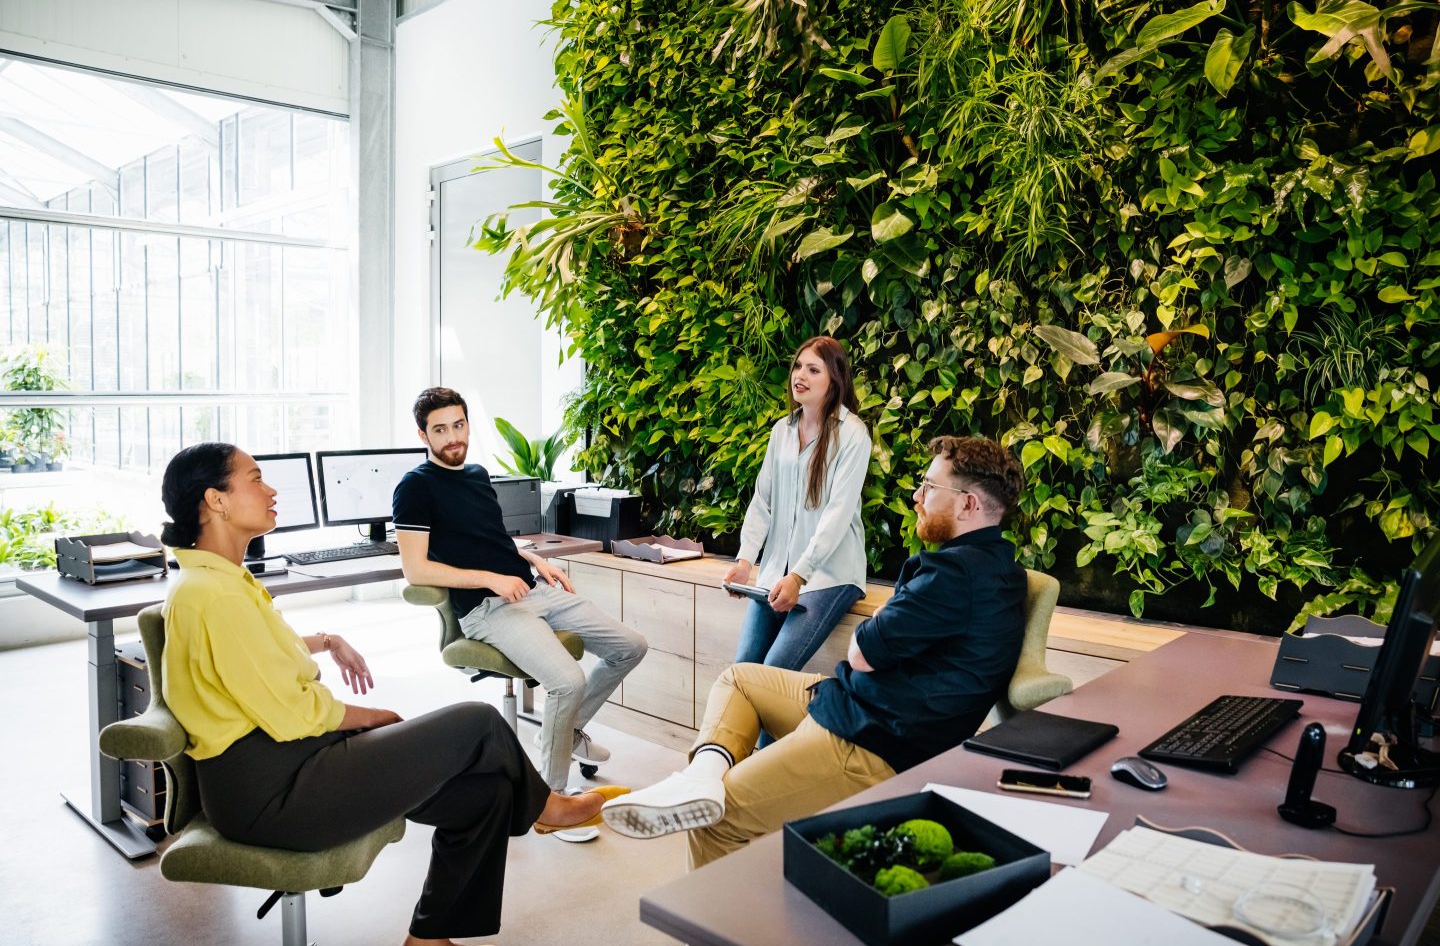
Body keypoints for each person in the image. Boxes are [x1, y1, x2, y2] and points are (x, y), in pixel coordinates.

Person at [158, 443, 624, 946]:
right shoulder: (212, 594)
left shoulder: (221, 581)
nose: (271, 490)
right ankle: (548, 808)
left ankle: (428, 940)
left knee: (486, 796)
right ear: (216, 500)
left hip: (290, 764)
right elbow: (291, 712)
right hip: (271, 791)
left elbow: (254, 653)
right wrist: (369, 716)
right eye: (255, 479)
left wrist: (326, 641)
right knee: (479, 722)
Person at [603, 435, 1027, 869]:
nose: (917, 496)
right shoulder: (999, 568)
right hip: (856, 705)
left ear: (968, 505)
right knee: (740, 679)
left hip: (869, 743)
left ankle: (719, 871)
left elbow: (863, 652)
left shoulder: (954, 575)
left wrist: (879, 625)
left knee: (719, 818)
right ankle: (699, 777)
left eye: (930, 487)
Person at [394, 387, 648, 791]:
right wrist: (491, 579)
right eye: (440, 430)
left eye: (459, 425)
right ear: (423, 435)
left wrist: (533, 558)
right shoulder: (414, 487)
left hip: (533, 590)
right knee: (568, 682)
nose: (453, 437)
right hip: (488, 609)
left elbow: (490, 539)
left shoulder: (477, 475)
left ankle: (564, 731)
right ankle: (551, 799)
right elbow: (415, 570)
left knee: (631, 646)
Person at [723, 335, 872, 674]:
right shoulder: (782, 430)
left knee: (773, 670)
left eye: (814, 370)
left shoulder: (853, 434)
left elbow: (837, 516)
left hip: (829, 576)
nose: (800, 375)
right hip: (777, 573)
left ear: (834, 380)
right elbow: (762, 502)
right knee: (743, 670)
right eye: (799, 367)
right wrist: (745, 560)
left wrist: (798, 576)